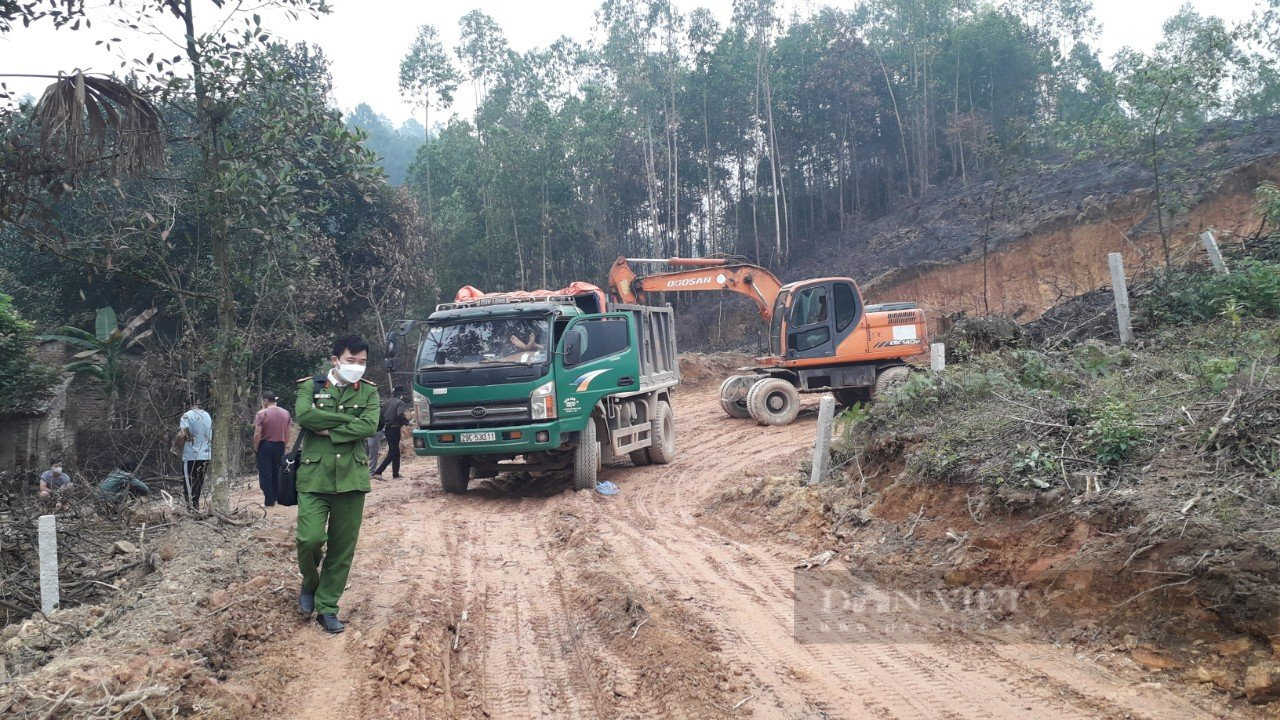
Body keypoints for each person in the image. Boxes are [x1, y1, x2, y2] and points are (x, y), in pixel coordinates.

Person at [294, 334, 379, 634]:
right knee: (310, 539)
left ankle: (327, 607)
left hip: (352, 479)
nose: (357, 367)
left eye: (362, 362)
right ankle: (310, 583)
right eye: (351, 361)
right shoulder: (311, 386)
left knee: (342, 548)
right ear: (335, 360)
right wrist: (345, 427)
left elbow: (369, 425)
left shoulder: (369, 392)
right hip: (314, 477)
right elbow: (304, 414)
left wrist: (326, 428)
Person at [253, 390, 292, 507]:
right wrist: (285, 444)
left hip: (265, 445)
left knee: (265, 473)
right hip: (280, 445)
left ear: (265, 400)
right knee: (276, 473)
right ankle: (275, 497)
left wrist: (256, 447)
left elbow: (257, 433)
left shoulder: (261, 413)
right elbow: (288, 431)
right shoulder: (286, 413)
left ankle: (269, 500)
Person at [175, 398, 212, 510]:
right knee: (199, 483)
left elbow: (181, 435)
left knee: (189, 483)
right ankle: (196, 506)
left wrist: (177, 445)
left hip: (191, 456)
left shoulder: (186, 416)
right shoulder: (207, 415)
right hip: (206, 454)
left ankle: (191, 509)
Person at [373, 387, 411, 480]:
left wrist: (380, 428)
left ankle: (395, 474)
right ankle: (378, 472)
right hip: (395, 429)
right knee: (393, 452)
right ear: (400, 394)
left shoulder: (386, 402)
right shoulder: (400, 403)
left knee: (396, 452)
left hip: (388, 429)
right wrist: (407, 423)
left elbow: (381, 416)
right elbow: (400, 415)